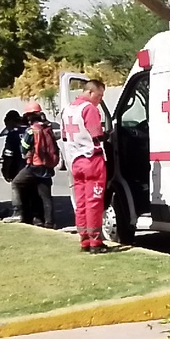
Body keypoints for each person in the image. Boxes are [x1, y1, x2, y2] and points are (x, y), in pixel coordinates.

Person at [61, 80, 108, 253]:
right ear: (89, 92)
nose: (100, 100)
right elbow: (97, 134)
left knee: (80, 203)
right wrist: (107, 135)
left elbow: (65, 137)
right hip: (92, 160)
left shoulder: (67, 110)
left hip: (75, 161)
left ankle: (84, 240)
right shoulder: (89, 109)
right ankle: (96, 242)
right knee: (94, 202)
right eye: (99, 95)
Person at [15, 102, 59, 228]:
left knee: (17, 183)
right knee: (46, 196)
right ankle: (50, 222)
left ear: (29, 116)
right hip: (48, 166)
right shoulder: (47, 128)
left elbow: (23, 148)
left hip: (35, 166)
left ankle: (18, 212)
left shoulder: (31, 131)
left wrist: (26, 152)